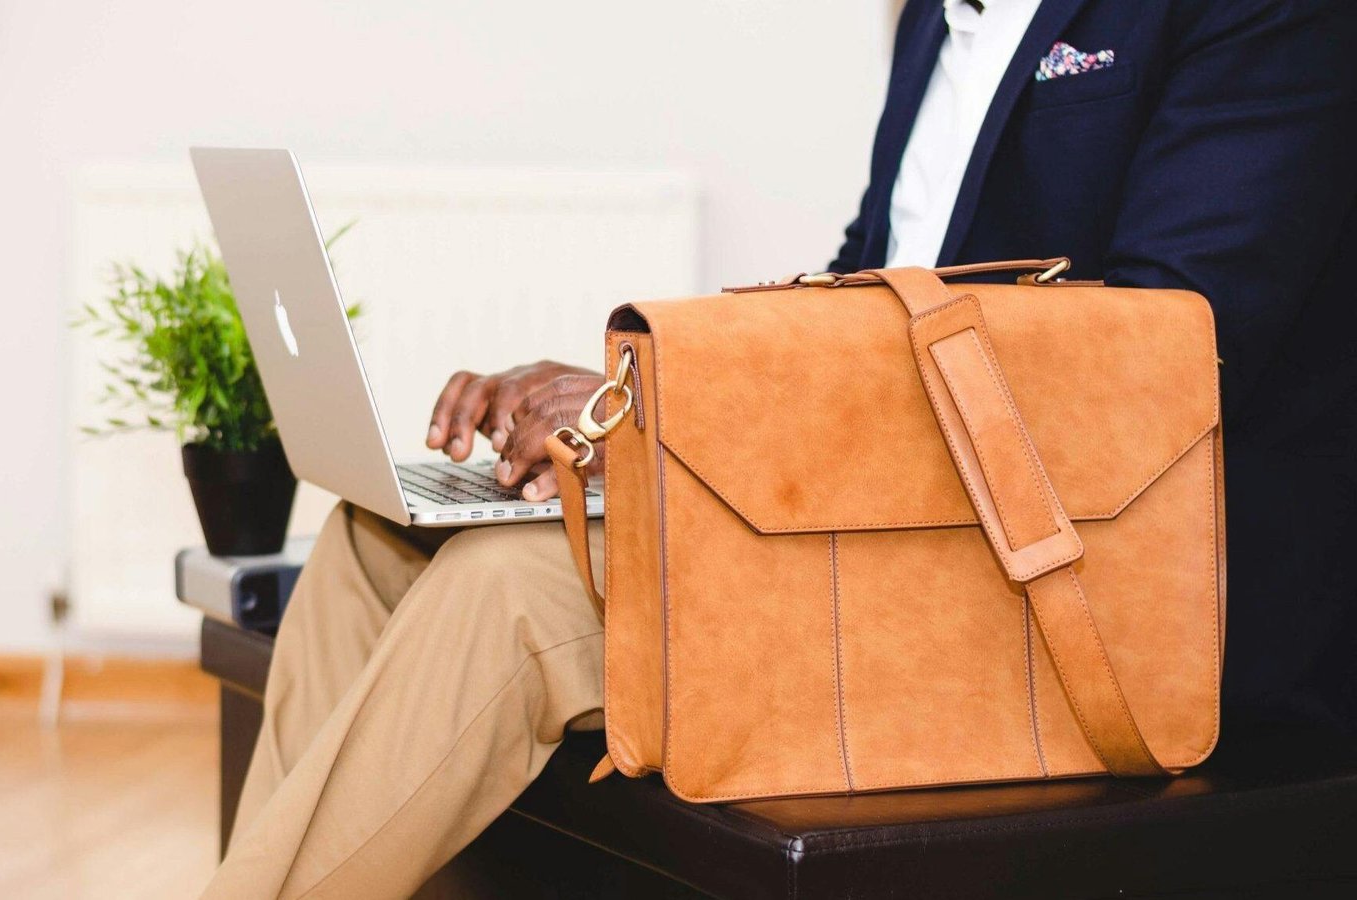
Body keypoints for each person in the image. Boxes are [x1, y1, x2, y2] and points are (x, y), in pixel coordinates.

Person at [204, 1, 1357, 896]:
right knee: (371, 544)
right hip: (899, 533)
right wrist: (635, 415)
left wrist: (678, 413)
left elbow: (1149, 369)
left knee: (508, 592)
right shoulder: (930, 22)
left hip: (1090, 590)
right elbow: (863, 289)